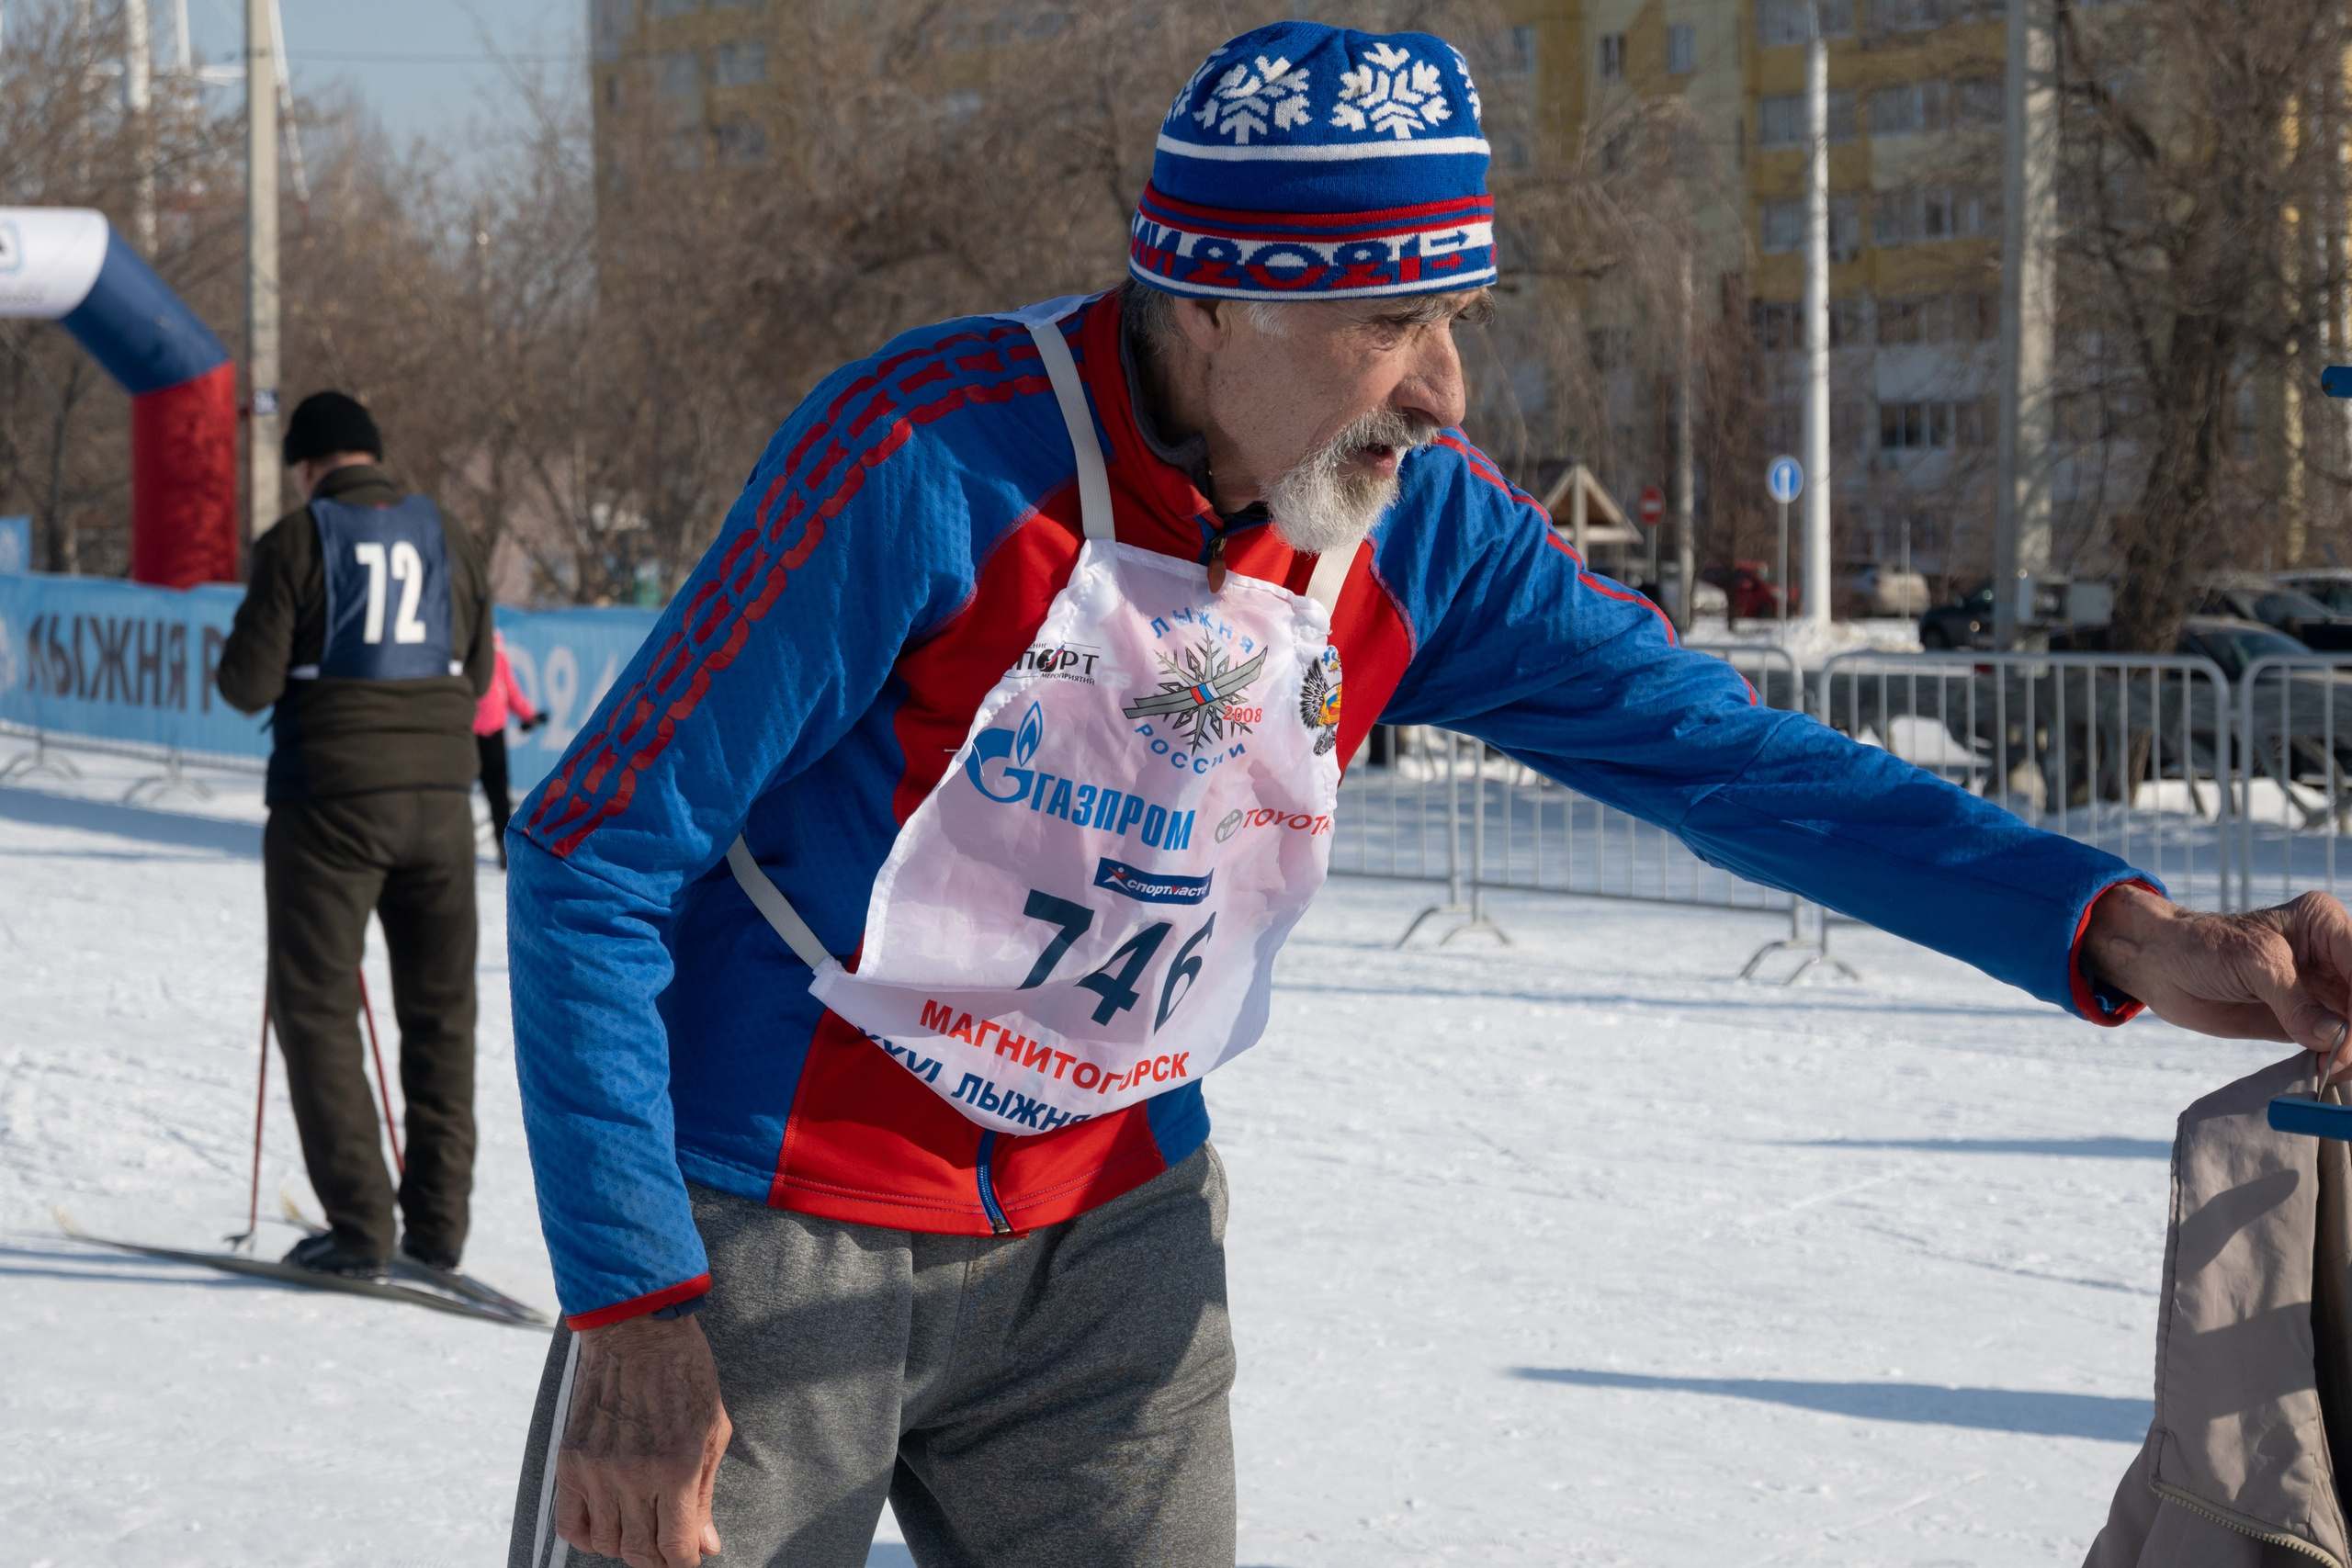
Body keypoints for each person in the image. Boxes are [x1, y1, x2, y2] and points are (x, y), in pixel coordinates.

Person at [502, 23, 2352, 1568]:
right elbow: (594, 854)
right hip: (773, 1205)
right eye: (1390, 322)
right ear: (1211, 305)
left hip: (1112, 1225)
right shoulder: (925, 456)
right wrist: (635, 1305)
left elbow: (1735, 761)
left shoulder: (1422, 535)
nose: (1446, 390)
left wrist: (2122, 929)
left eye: (1455, 314)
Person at [218, 390, 495, 1283]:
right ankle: (439, 1227)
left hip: (330, 805)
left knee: (317, 1008)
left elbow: (247, 685)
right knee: (441, 1015)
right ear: (372, 455)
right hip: (442, 806)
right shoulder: (447, 533)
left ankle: (362, 1226)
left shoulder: (299, 540)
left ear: (306, 466)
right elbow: (479, 671)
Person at [474, 629, 543, 869]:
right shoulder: (492, 646)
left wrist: (528, 715)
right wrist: (528, 714)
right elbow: (508, 688)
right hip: (476, 728)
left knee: (493, 792)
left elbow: (508, 688)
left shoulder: (487, 646)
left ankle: (502, 848)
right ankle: (501, 849)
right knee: (495, 792)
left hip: (475, 729)